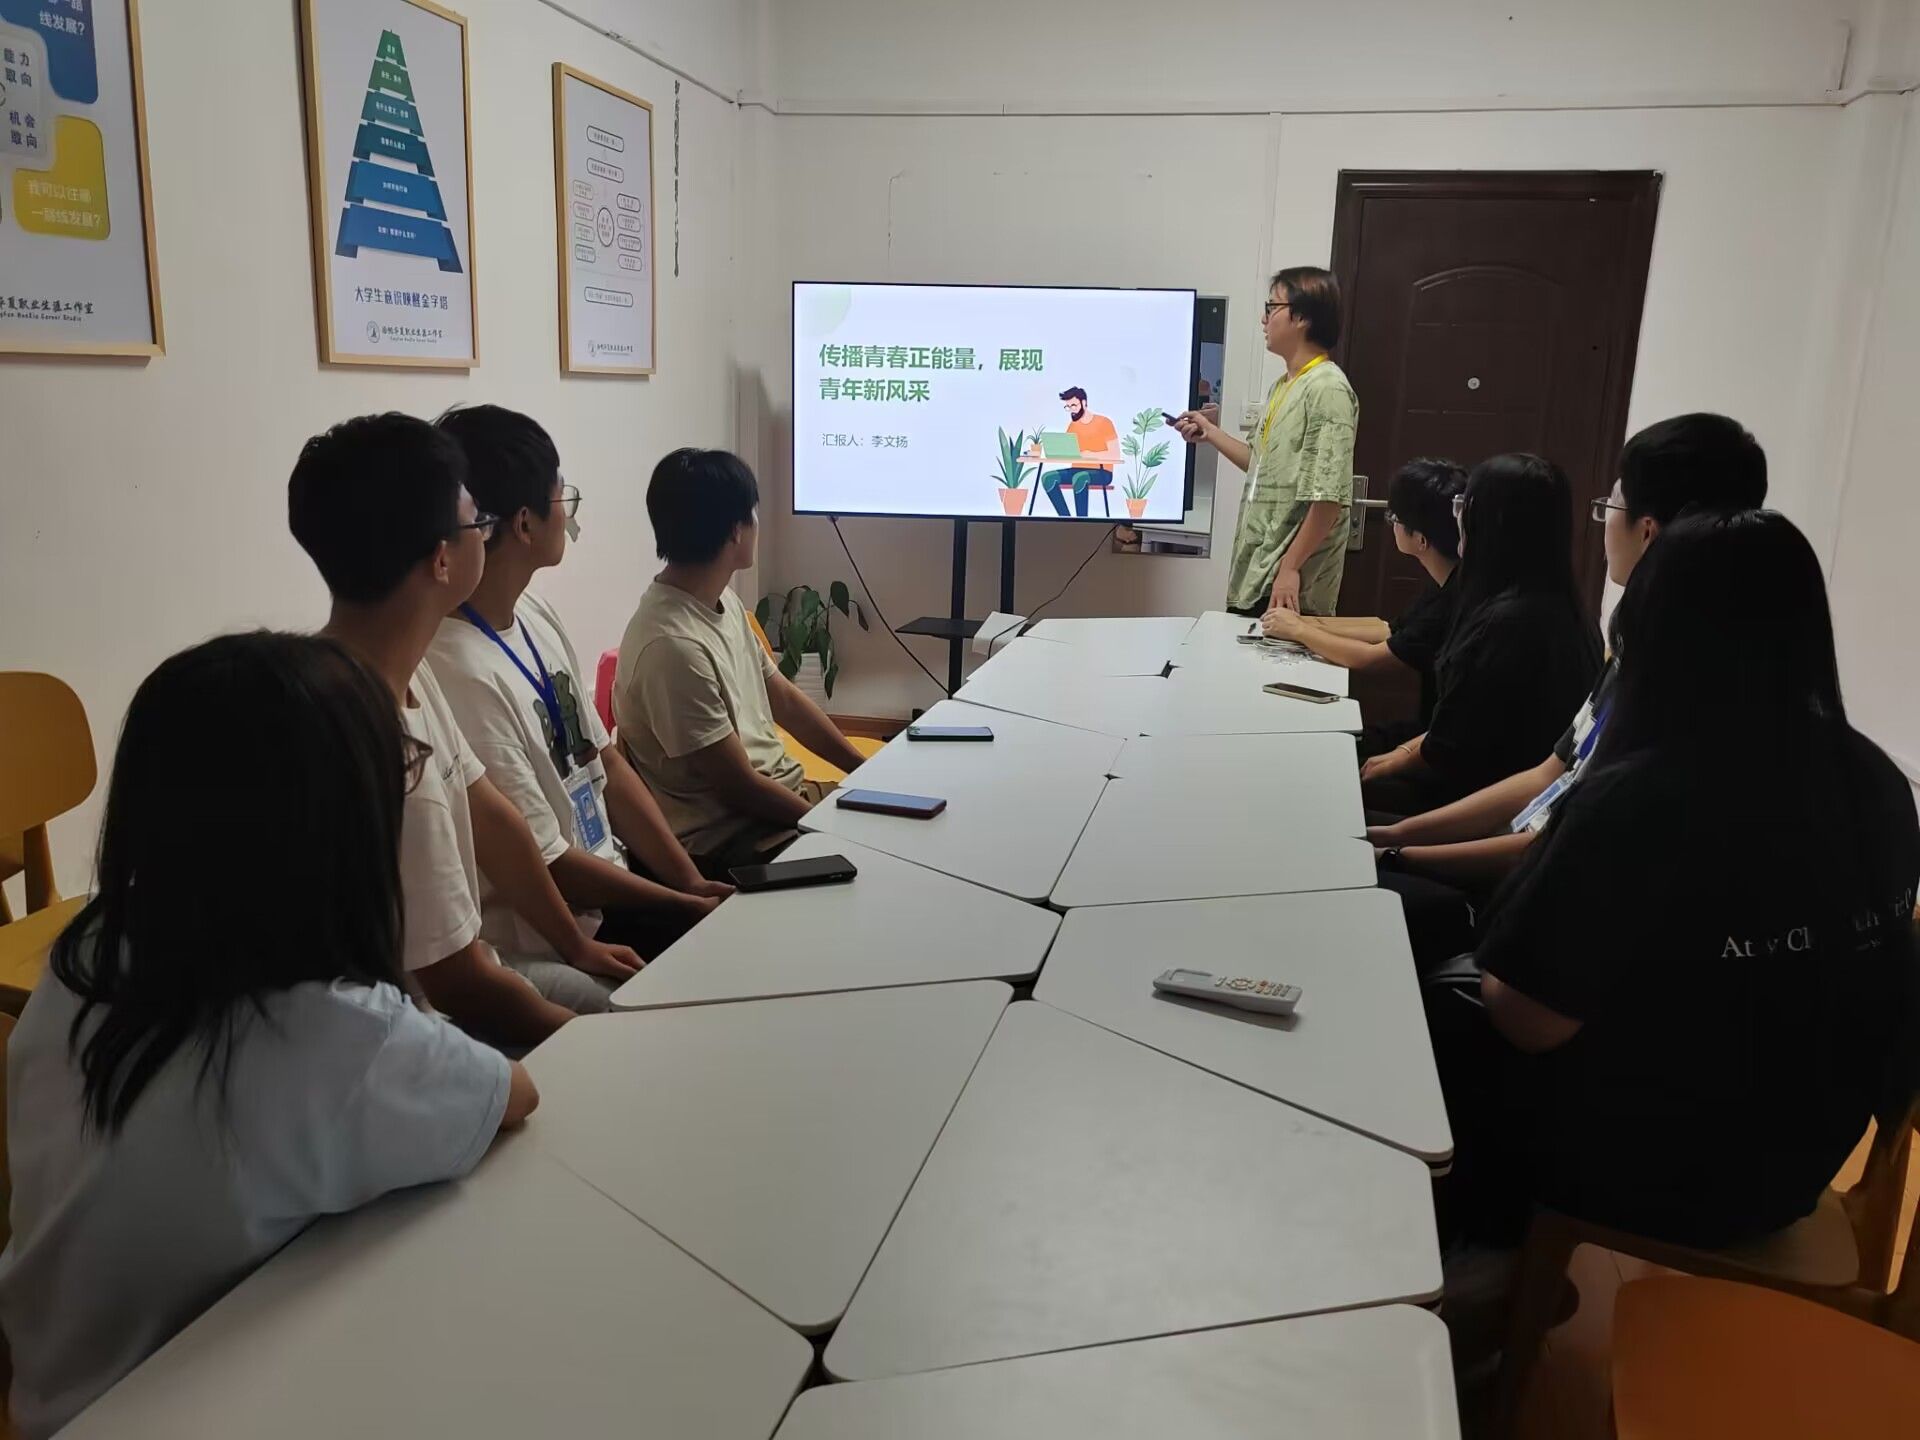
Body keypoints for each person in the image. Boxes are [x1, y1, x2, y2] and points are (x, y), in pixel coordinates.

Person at [0, 632, 539, 1439]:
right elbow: (513, 1094)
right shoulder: (340, 1035)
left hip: (49, 1394)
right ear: (346, 828)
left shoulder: (87, 952)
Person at [1436, 510, 1920, 1249]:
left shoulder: (1644, 796)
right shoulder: (1879, 784)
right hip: (1794, 1170)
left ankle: (1474, 1268)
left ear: (1651, 635)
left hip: (1648, 1176)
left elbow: (1527, 1021)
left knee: (1427, 1016)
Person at [289, 413, 642, 1040]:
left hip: (466, 980)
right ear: (442, 559)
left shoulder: (400, 671)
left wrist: (576, 944)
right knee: (631, 1023)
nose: (489, 533)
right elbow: (458, 983)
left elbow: (494, 819)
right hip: (408, 1027)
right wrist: (590, 1044)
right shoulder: (381, 742)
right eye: (479, 523)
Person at [1370, 415, 1769, 909]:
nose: (1603, 524)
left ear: (1648, 531)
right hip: (1518, 861)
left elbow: (1558, 849)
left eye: (1611, 505)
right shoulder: (1631, 645)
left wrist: (1400, 855)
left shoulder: (1672, 689)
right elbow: (1546, 777)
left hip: (1536, 898)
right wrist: (1398, 839)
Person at [428, 406, 731, 1011]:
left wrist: (689, 880)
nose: (568, 510)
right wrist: (681, 904)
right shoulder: (455, 667)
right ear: (523, 522)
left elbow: (605, 763)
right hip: (549, 933)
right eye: (561, 494)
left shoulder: (532, 614)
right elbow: (548, 860)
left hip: (607, 893)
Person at [615, 448, 870, 873]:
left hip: (782, 802)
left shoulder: (720, 600)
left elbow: (783, 699)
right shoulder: (672, 647)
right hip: (735, 840)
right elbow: (739, 788)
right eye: (752, 514)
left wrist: (863, 770)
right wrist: (828, 825)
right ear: (736, 531)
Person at [1358, 453, 1602, 816]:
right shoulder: (1563, 608)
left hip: (1476, 800)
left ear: (1491, 520)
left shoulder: (1507, 624)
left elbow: (1452, 749)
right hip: (1477, 780)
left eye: (1463, 506)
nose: (1457, 517)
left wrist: (1396, 763)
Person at [1173, 266, 1358, 616]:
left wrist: (1290, 568)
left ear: (1302, 317)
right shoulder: (1283, 386)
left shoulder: (1328, 389)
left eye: (1272, 307)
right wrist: (1211, 433)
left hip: (1291, 584)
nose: (1264, 318)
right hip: (1258, 570)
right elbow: (1261, 465)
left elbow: (1329, 499)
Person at [1261, 457, 1466, 740]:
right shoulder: (1449, 580)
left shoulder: (1453, 600)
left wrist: (1298, 630)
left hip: (1435, 741)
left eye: (1395, 518)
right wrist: (1304, 623)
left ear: (1421, 539)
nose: (1392, 524)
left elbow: (1369, 659)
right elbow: (1387, 629)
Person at [1040, 386, 1119, 518]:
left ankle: (1082, 519)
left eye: (1074, 405)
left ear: (1083, 402)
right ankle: (1065, 518)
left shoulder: (1104, 422)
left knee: (1080, 477)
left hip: (1102, 472)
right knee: (1048, 478)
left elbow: (1115, 455)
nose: (1071, 409)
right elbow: (1069, 451)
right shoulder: (1073, 426)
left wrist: (1090, 455)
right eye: (1068, 407)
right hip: (1077, 469)